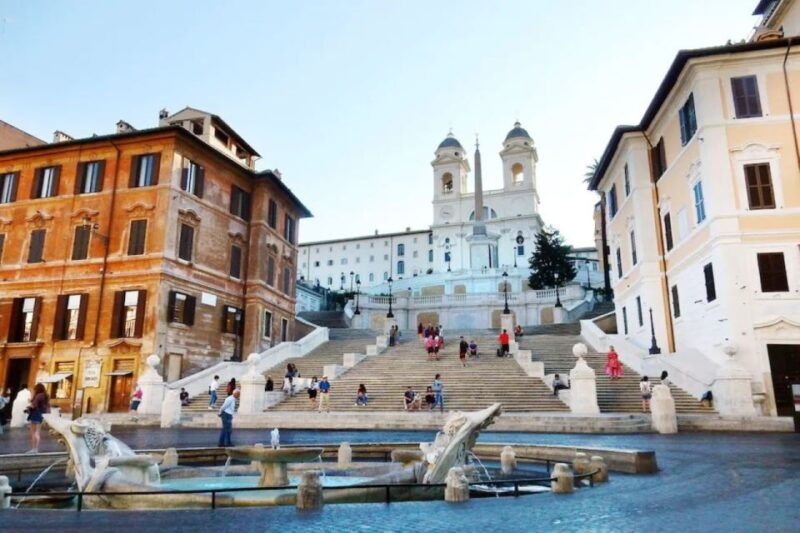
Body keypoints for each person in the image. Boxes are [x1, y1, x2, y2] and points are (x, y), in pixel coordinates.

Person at [27, 383, 50, 453]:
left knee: (33, 432)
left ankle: (34, 448)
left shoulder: (39, 395)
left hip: (35, 414)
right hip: (41, 414)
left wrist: (30, 403)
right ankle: (36, 448)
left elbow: (33, 405)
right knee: (37, 432)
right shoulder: (46, 396)